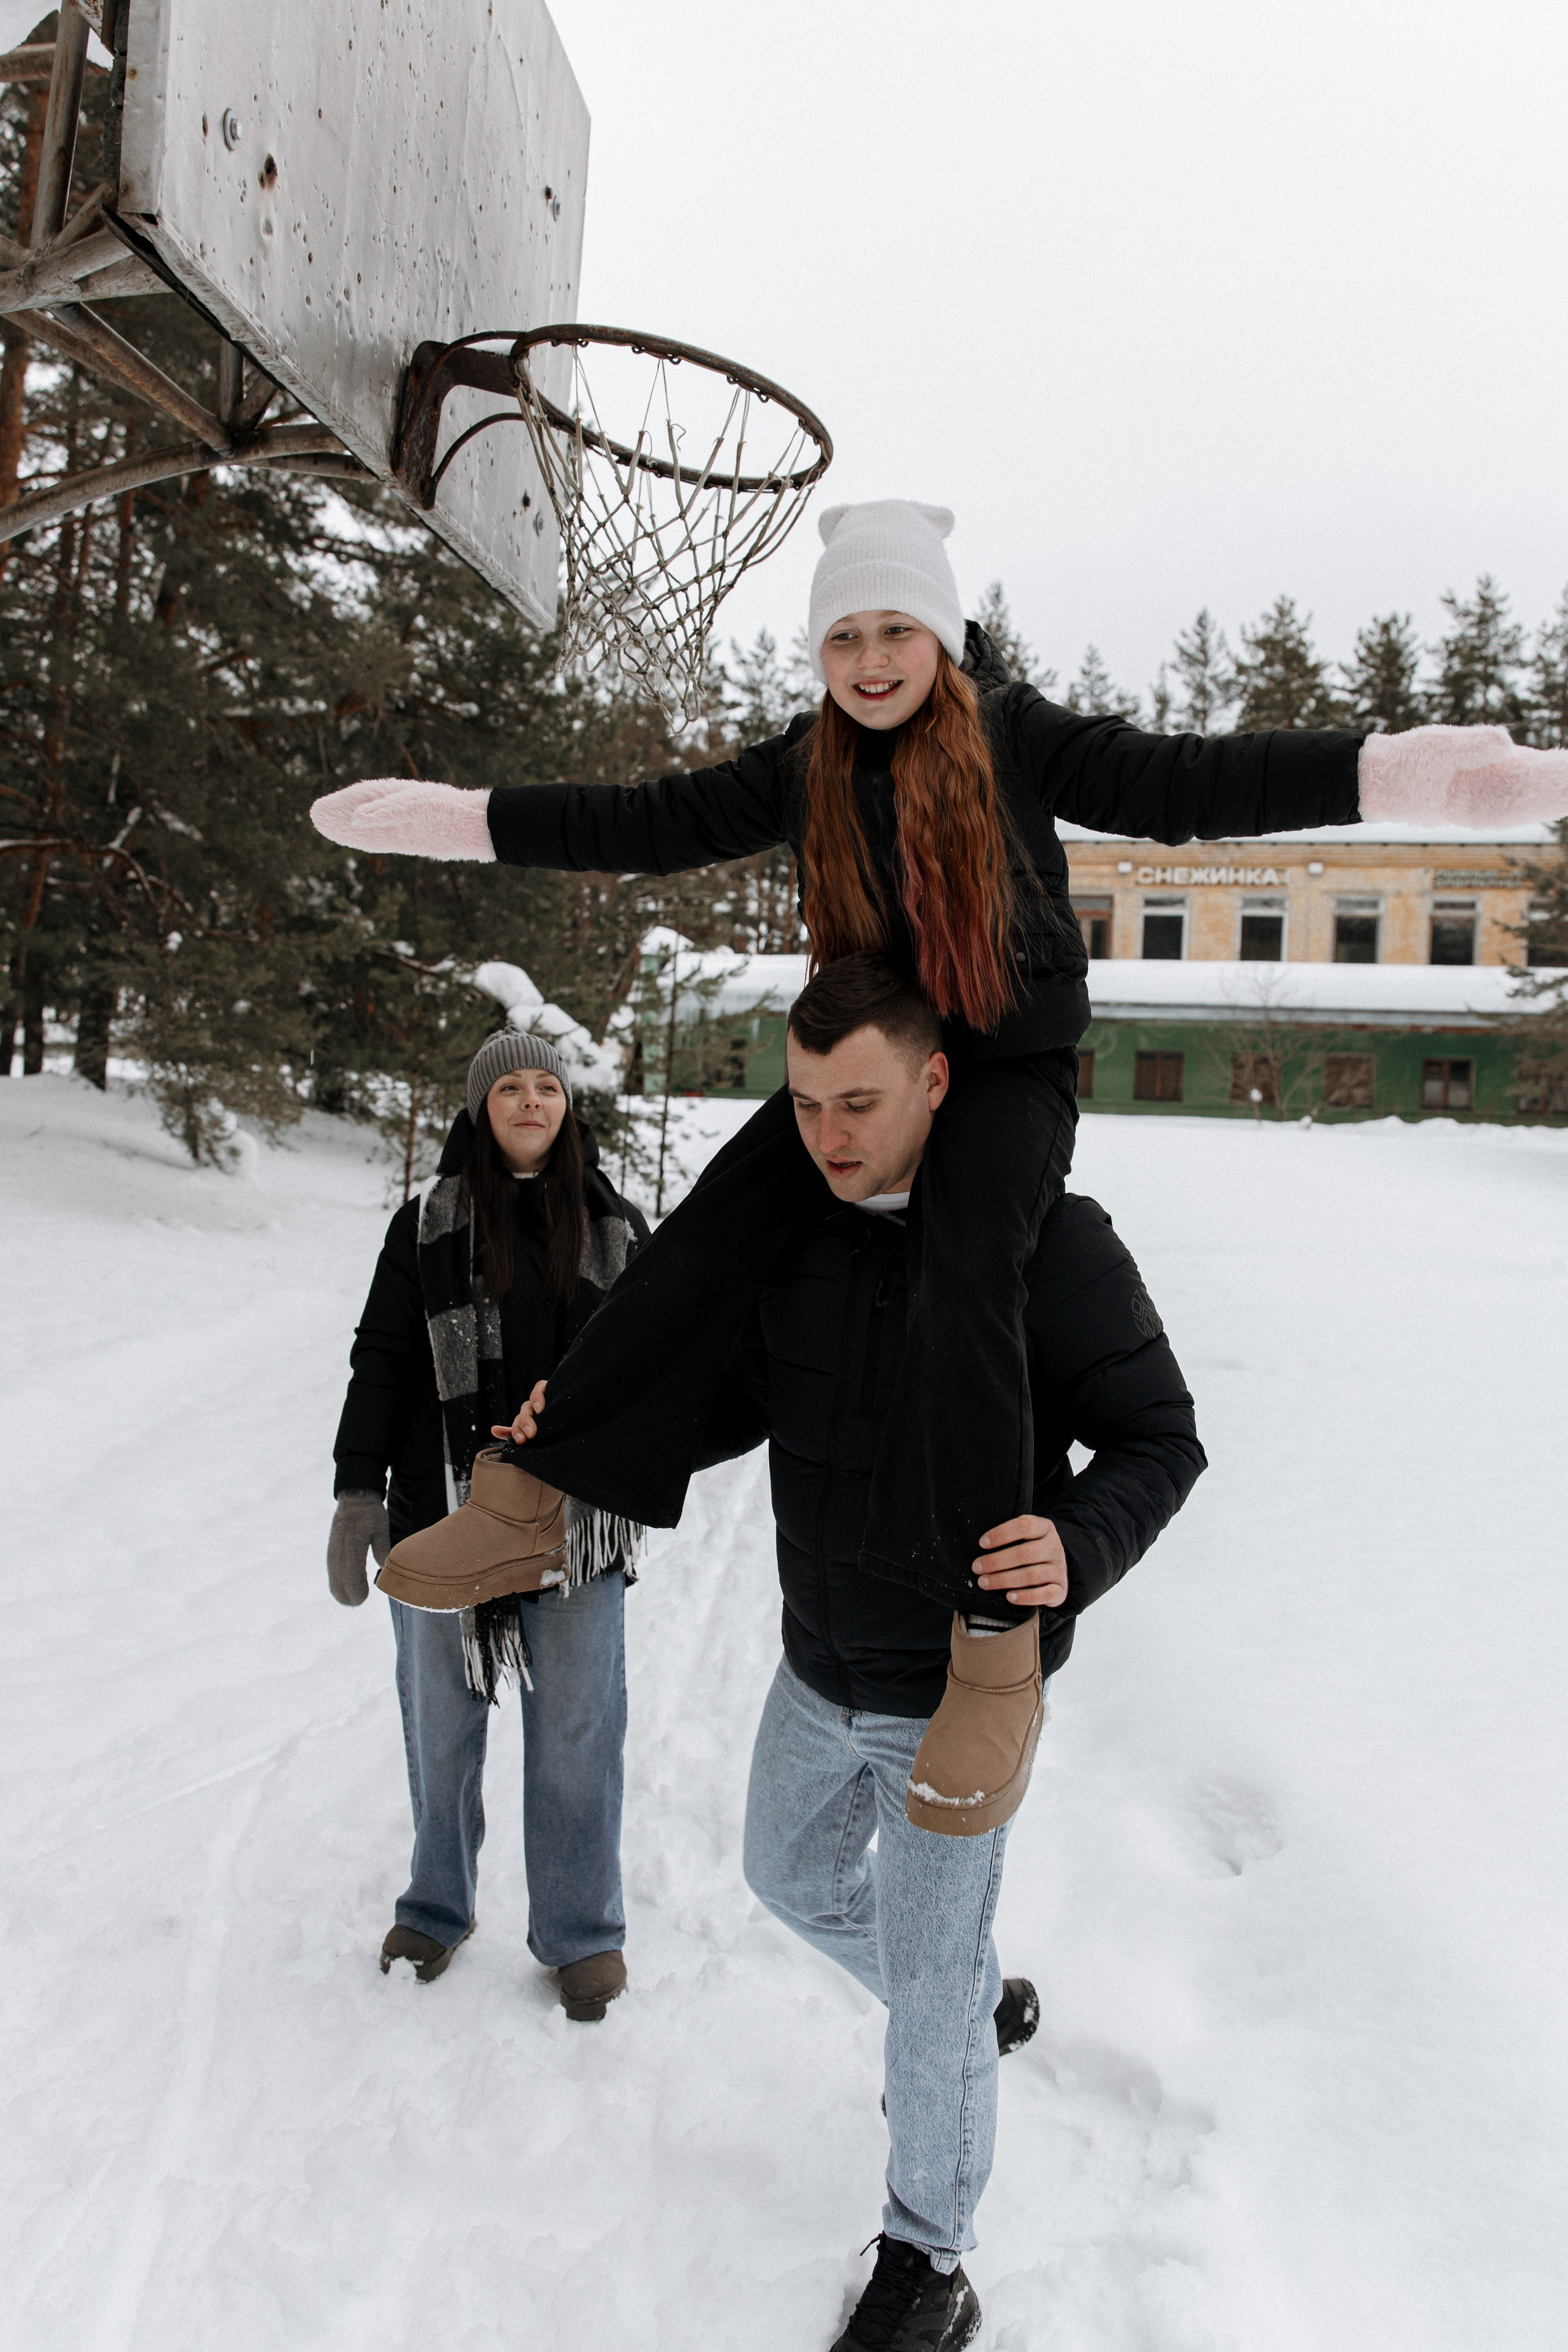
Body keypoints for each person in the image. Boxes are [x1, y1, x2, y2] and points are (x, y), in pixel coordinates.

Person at [310, 499, 1568, 1837]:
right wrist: (467, 821)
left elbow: (1191, 785)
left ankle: (989, 1650)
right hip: (870, 1049)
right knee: (705, 1236)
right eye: (842, 634)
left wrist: (1397, 777)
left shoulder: (1016, 737)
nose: (867, 658)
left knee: (967, 1282)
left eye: (893, 628)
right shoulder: (804, 762)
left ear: (940, 634)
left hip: (1004, 1069)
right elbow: (644, 819)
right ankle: (536, 1499)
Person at [506, 953, 1206, 2350]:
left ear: (937, 1083)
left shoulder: (1047, 1242)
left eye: (861, 1102)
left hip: (957, 1688)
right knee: (785, 1876)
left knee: (929, 2004)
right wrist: (582, 1427)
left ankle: (929, 2261)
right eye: (806, 1101)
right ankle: (955, 2008)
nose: (828, 1135)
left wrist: (1077, 1542)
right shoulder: (802, 1236)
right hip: (814, 1663)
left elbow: (1159, 1437)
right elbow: (732, 1402)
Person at [326, 1028, 647, 2020]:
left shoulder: (616, 1227)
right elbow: (381, 1356)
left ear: (566, 1105)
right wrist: (358, 1491)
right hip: (444, 1516)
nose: (530, 1101)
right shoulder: (425, 1223)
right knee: (440, 1724)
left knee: (578, 1732)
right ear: (481, 1107)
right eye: (509, 1086)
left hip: (573, 1530)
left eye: (545, 1085)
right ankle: (434, 1907)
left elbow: (653, 1374)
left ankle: (581, 1934)